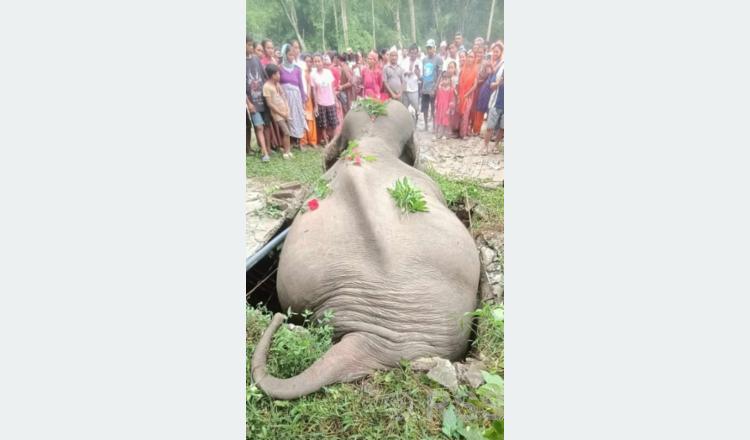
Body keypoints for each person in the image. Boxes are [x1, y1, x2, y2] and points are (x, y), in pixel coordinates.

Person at [278, 44, 308, 146]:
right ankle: (289, 141)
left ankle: (299, 142)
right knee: (287, 118)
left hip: (296, 97)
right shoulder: (280, 68)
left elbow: (301, 85)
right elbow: (277, 83)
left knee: (298, 117)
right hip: (285, 97)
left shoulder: (297, 69)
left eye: (293, 55)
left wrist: (303, 100)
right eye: (289, 55)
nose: (291, 57)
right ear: (285, 55)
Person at [246, 36, 270, 161]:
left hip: (263, 98)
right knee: (259, 126)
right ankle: (264, 153)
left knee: (266, 125)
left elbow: (264, 76)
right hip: (252, 101)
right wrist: (248, 103)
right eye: (249, 45)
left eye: (251, 45)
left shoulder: (256, 59)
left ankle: (267, 148)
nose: (251, 48)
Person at [263, 64, 293, 159]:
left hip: (284, 111)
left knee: (288, 132)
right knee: (286, 132)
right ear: (273, 75)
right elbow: (270, 104)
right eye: (278, 74)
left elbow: (283, 96)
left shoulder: (277, 84)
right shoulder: (266, 87)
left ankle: (288, 151)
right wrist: (281, 113)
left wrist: (287, 108)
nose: (279, 75)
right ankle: (285, 152)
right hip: (278, 114)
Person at [474, 41, 504, 137]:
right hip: (486, 87)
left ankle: (491, 132)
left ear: (501, 52)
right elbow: (487, 73)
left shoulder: (502, 63)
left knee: (492, 111)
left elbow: (496, 73)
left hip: (495, 89)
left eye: (497, 52)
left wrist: (491, 66)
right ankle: (477, 129)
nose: (495, 54)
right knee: (481, 107)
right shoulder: (490, 59)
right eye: (494, 51)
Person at [310, 54, 339, 144]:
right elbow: (314, 91)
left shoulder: (328, 72)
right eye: (315, 61)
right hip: (321, 102)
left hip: (330, 101)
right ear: (314, 63)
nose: (317, 63)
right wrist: (316, 106)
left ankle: (333, 140)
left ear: (322, 62)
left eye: (319, 61)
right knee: (323, 125)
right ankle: (326, 142)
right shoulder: (312, 75)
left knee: (334, 123)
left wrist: (336, 100)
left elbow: (332, 88)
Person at [420, 39, 443, 131]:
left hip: (433, 88)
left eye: (431, 48)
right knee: (425, 108)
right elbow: (424, 74)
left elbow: (440, 74)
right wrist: (422, 87)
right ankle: (426, 126)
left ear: (434, 48)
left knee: (433, 108)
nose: (429, 50)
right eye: (428, 48)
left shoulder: (438, 59)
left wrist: (435, 88)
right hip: (425, 88)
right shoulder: (424, 60)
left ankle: (434, 127)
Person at [456, 50, 478, 138]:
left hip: (468, 96)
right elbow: (459, 82)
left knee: (465, 114)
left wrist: (466, 94)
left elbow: (475, 85)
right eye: (469, 56)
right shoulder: (462, 69)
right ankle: (458, 131)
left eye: (472, 57)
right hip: (461, 94)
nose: (470, 59)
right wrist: (459, 94)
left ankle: (463, 133)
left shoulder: (475, 70)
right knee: (459, 113)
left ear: (474, 59)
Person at [434, 61, 458, 139]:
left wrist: (449, 109)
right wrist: (435, 108)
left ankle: (445, 134)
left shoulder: (451, 90)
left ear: (449, 80)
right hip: (440, 108)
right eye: (443, 79)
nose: (445, 81)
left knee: (446, 121)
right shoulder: (440, 89)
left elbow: (451, 100)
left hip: (446, 108)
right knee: (439, 120)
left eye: (446, 79)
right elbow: (437, 98)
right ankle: (438, 133)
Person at [299, 55, 319, 149]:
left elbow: (311, 85)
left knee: (310, 119)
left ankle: (312, 140)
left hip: (313, 98)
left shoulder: (313, 72)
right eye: (307, 61)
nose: (308, 63)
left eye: (310, 61)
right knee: (305, 118)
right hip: (304, 98)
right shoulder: (302, 71)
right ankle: (304, 140)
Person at [399, 44, 421, 124]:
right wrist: (406, 73)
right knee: (405, 108)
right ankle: (406, 124)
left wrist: (417, 73)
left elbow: (420, 77)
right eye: (412, 53)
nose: (413, 55)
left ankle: (415, 123)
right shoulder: (404, 61)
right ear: (409, 53)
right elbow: (401, 73)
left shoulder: (419, 62)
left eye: (415, 53)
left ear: (417, 53)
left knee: (415, 108)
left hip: (414, 89)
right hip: (405, 88)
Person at [484, 68, 504, 154]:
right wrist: (498, 83)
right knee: (490, 127)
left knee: (503, 128)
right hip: (495, 104)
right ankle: (485, 146)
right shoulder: (500, 73)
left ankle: (496, 145)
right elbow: (491, 86)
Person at [470, 45, 489, 136]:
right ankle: (471, 126)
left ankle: (476, 128)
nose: (479, 54)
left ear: (484, 53)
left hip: (481, 88)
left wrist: (478, 81)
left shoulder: (486, 63)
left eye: (481, 52)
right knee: (472, 107)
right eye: (478, 52)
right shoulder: (474, 62)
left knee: (479, 108)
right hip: (473, 88)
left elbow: (487, 76)